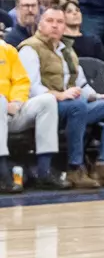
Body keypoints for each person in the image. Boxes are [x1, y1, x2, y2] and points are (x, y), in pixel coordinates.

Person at [19, 7, 104, 187]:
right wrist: (60, 95)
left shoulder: (67, 50)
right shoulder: (30, 48)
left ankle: (103, 165)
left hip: (72, 106)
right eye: (50, 21)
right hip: (45, 108)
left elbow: (81, 84)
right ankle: (75, 168)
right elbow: (31, 88)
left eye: (59, 22)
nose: (55, 26)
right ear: (40, 25)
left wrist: (97, 96)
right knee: (77, 106)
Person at [0, 34, 64, 191]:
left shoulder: (7, 50)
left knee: (47, 101)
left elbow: (21, 81)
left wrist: (16, 101)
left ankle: (44, 171)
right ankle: (2, 174)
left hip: (11, 110)